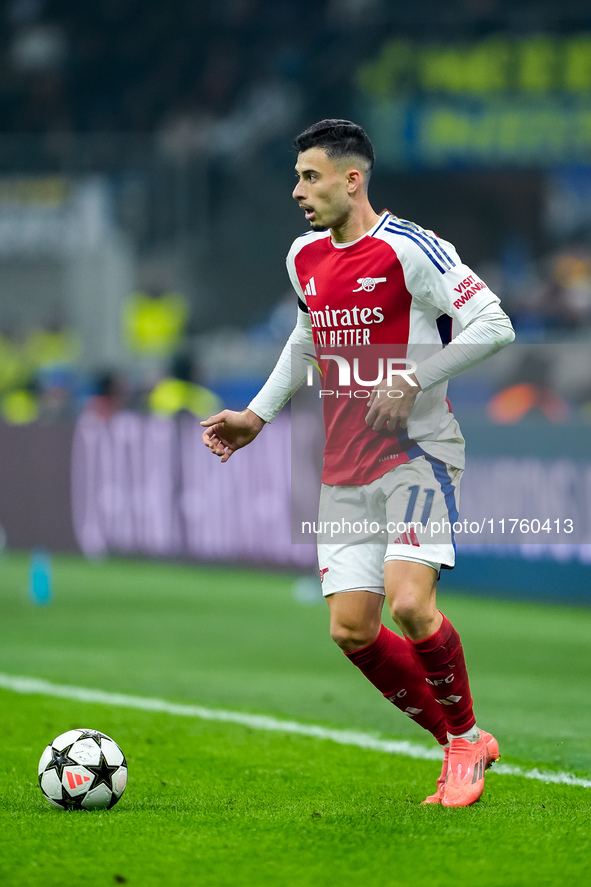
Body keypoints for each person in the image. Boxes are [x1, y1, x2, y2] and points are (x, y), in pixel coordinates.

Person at [201, 119, 515, 807]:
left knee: (408, 601)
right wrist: (256, 413)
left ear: (352, 179)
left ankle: (461, 741)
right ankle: (463, 739)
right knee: (350, 628)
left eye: (309, 177)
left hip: (417, 454)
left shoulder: (411, 250)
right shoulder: (302, 257)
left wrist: (413, 379)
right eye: (296, 177)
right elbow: (305, 337)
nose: (296, 191)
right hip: (343, 466)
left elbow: (494, 323)